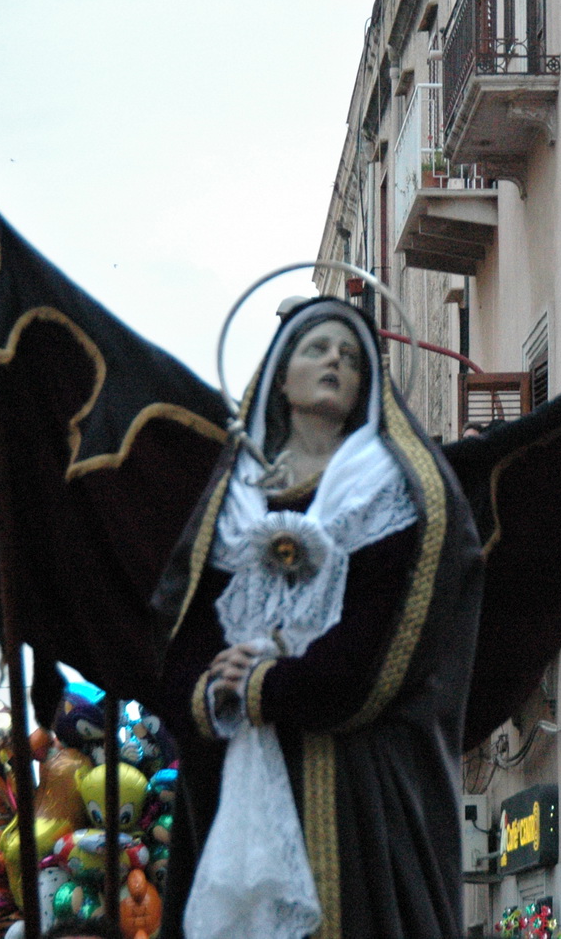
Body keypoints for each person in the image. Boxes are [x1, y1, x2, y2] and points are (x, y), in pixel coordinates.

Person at [153, 298, 483, 939]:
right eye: (318, 348)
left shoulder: (395, 492)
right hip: (234, 785)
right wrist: (214, 689)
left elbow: (381, 645)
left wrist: (265, 684)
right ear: (280, 375)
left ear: (367, 388)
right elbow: (184, 635)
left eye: (353, 357)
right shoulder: (234, 499)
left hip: (358, 794)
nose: (336, 359)